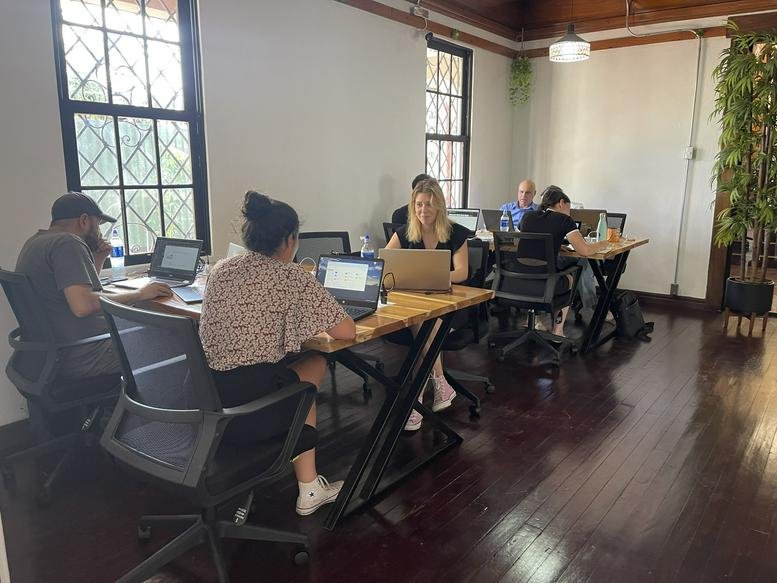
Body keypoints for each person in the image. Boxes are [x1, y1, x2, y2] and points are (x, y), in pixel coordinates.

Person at [199, 191, 356, 516]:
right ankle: (309, 487)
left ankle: (306, 482)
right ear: (289, 240)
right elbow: (346, 332)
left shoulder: (221, 269)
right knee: (315, 361)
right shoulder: (293, 277)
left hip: (209, 406)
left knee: (288, 364)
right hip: (253, 415)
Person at [15, 192, 172, 379]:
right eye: (98, 224)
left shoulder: (36, 242)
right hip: (84, 353)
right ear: (84, 220)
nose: (99, 232)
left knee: (149, 331)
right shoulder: (68, 243)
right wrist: (140, 293)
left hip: (51, 355)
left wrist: (98, 258)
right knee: (177, 340)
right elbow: (84, 306)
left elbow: (76, 291)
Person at [386, 178, 469, 431]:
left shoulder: (456, 233)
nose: (424, 210)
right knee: (421, 320)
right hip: (416, 304)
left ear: (439, 206)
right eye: (419, 204)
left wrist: (433, 276)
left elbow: (462, 272)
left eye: (429, 204)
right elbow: (385, 264)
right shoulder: (404, 232)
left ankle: (416, 403)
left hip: (451, 306)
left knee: (422, 323)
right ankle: (438, 384)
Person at [518, 185, 608, 336]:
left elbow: (528, 240)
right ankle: (557, 330)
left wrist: (556, 245)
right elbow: (585, 251)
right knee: (571, 277)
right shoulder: (564, 220)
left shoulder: (528, 216)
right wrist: (603, 244)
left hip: (518, 280)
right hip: (546, 282)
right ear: (561, 203)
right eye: (569, 208)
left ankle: (534, 319)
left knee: (559, 269)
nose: (569, 212)